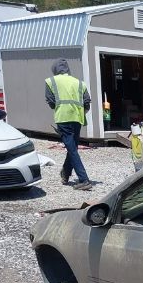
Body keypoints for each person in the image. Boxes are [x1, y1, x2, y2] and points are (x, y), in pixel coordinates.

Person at [45, 59, 93, 190]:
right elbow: (87, 102)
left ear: (55, 69)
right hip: (77, 118)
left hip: (63, 118)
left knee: (71, 148)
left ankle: (84, 179)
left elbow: (51, 102)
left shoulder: (51, 81)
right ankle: (65, 174)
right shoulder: (79, 83)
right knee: (72, 147)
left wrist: (61, 108)